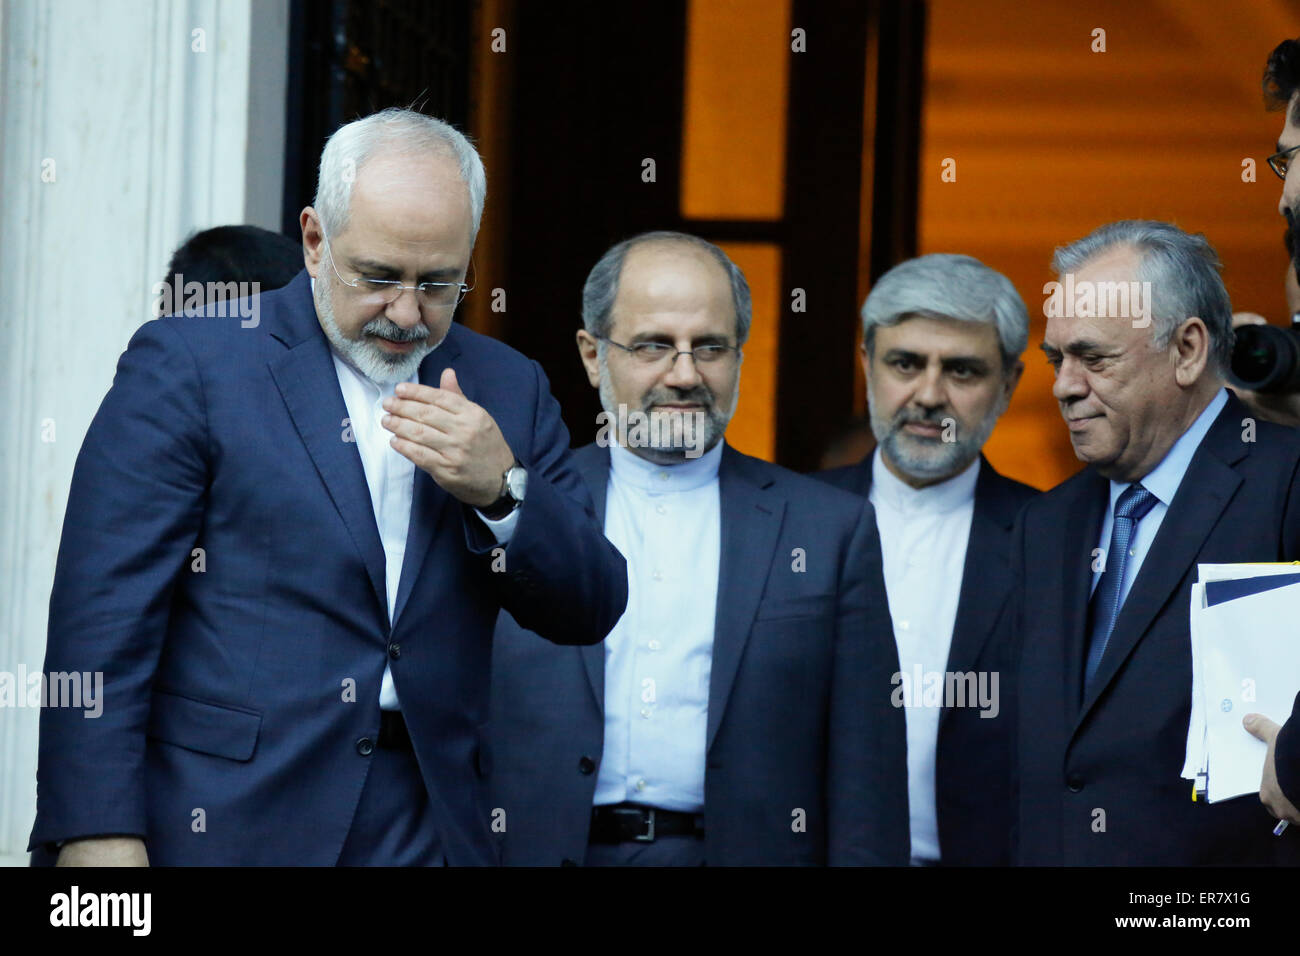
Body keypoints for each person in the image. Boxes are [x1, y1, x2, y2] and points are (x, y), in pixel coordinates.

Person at [29, 107, 627, 866]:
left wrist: (502, 491)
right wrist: (96, 832)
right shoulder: (194, 362)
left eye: (439, 284)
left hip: (426, 822)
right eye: (378, 277)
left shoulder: (508, 387)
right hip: (221, 818)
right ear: (315, 241)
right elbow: (101, 616)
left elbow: (591, 603)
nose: (407, 313)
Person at [488, 231, 909, 865]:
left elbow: (867, 780)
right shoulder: (518, 512)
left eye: (710, 347)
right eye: (654, 345)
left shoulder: (829, 532)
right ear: (593, 355)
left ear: (740, 356)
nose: (684, 374)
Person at [1015, 219, 1300, 865]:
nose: (1064, 384)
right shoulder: (1045, 525)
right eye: (1056, 359)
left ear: (1188, 350)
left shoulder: (1287, 481)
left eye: (1095, 357)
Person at [817, 254, 1038, 865]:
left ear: (1010, 384)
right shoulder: (788, 522)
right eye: (906, 363)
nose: (929, 395)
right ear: (866, 364)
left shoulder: (1057, 538)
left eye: (963, 370)